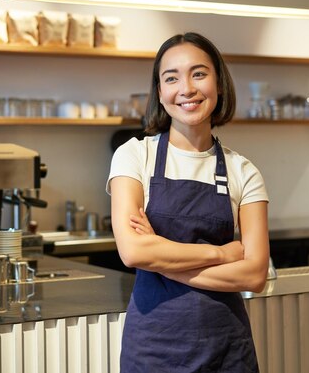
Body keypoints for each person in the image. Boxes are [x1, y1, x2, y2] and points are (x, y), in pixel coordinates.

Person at [106, 32, 269, 372]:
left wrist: (160, 256)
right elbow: (134, 252)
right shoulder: (135, 156)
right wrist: (221, 254)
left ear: (219, 83)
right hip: (153, 349)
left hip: (227, 350)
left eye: (199, 73)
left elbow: (254, 274)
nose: (187, 88)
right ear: (160, 92)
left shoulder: (244, 171)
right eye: (171, 78)